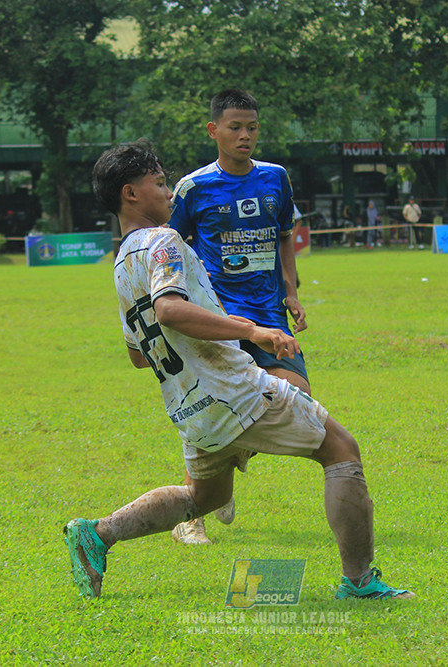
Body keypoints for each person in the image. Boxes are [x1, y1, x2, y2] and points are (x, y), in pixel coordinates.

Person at [63, 139, 413, 602]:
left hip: (190, 406)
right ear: (131, 194)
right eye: (160, 183)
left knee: (201, 500)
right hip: (236, 389)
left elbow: (136, 353)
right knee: (341, 450)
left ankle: (98, 534)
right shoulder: (164, 240)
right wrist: (253, 331)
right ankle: (360, 582)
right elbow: (169, 310)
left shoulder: (122, 263)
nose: (170, 193)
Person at [167, 89, 310, 544]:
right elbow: (169, 249)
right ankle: (192, 516)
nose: (245, 135)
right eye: (235, 127)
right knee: (211, 409)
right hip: (216, 317)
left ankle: (222, 472)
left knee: (298, 395)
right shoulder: (193, 188)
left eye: (252, 127)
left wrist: (290, 291)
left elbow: (286, 234)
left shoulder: (276, 178)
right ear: (214, 131)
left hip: (268, 311)